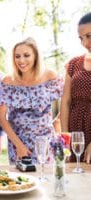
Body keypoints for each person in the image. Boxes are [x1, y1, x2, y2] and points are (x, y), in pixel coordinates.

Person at [0, 37, 63, 164]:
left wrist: (57, 122)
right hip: (18, 142)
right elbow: (0, 116)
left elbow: (68, 102)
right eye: (17, 56)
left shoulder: (50, 76)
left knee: (46, 179)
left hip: (45, 141)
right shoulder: (7, 81)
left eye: (26, 55)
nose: (21, 60)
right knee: (21, 181)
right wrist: (19, 146)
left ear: (36, 56)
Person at [60, 12, 91, 164]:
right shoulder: (73, 64)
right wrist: (65, 137)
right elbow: (65, 101)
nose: (85, 43)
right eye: (81, 38)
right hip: (76, 130)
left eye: (89, 36)